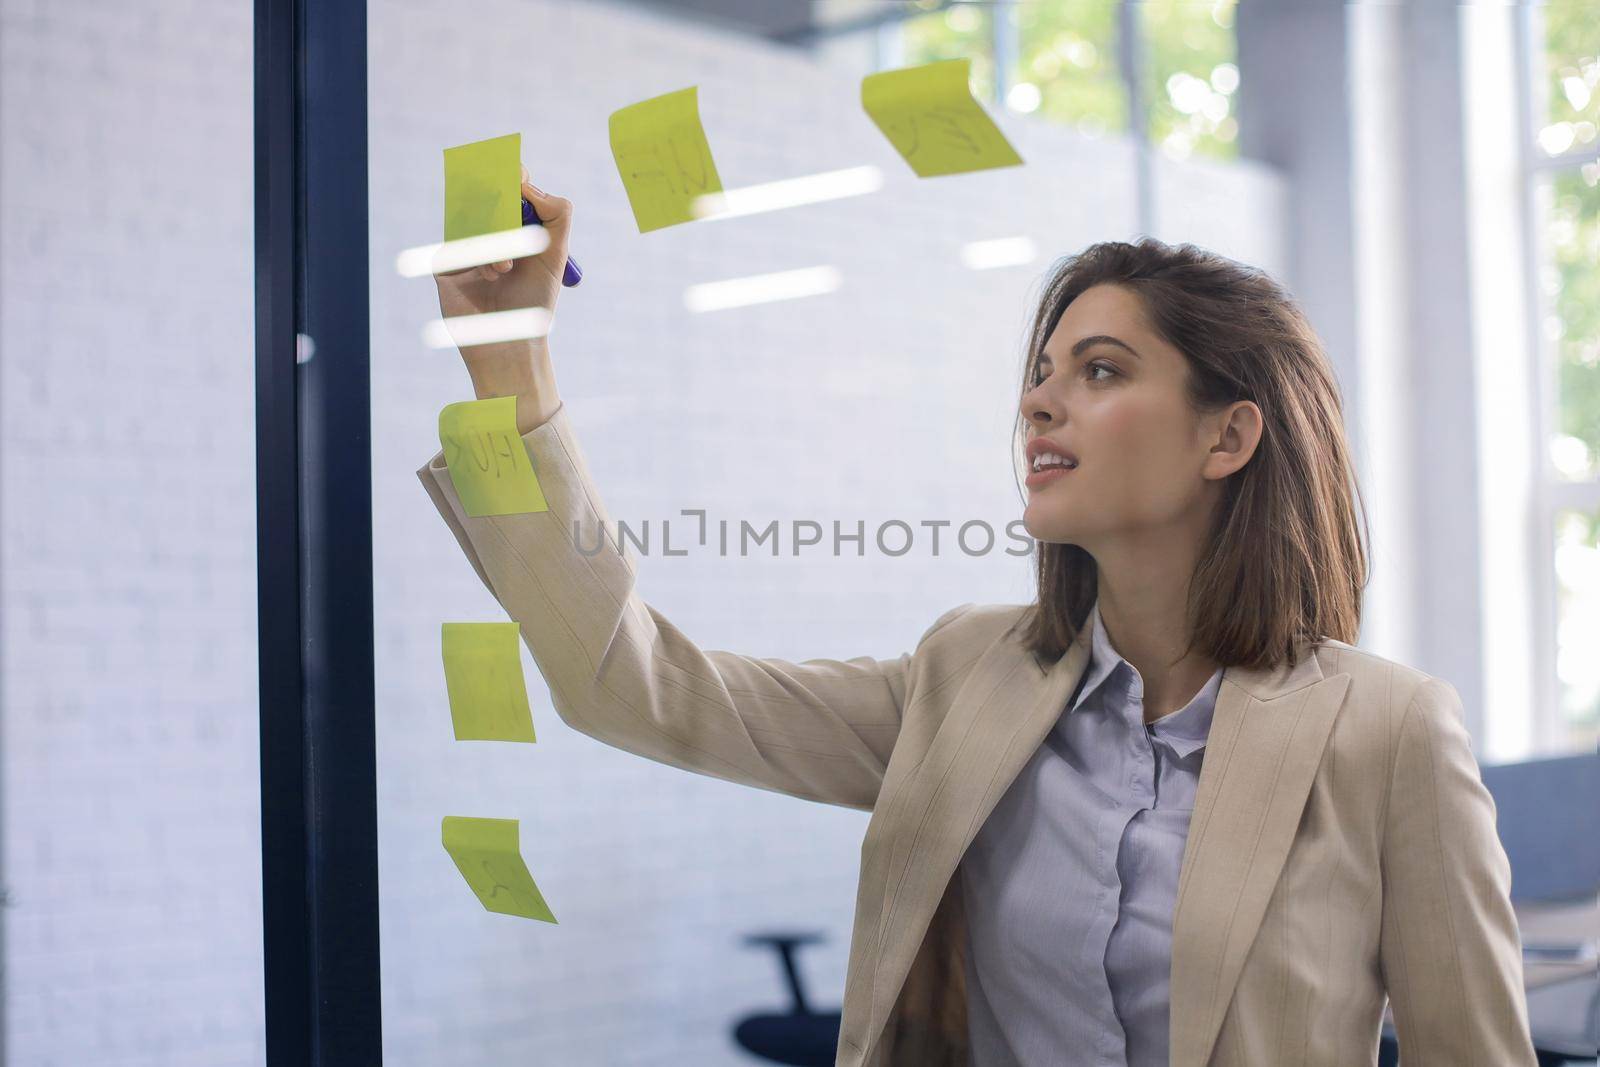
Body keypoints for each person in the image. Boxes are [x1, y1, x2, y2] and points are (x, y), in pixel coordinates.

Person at [415, 166, 1538, 1067]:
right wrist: (506, 358)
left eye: (1099, 369)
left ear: (1227, 437)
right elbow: (628, 683)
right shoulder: (965, 675)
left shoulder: (1385, 731)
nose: (1038, 398)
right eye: (1042, 370)